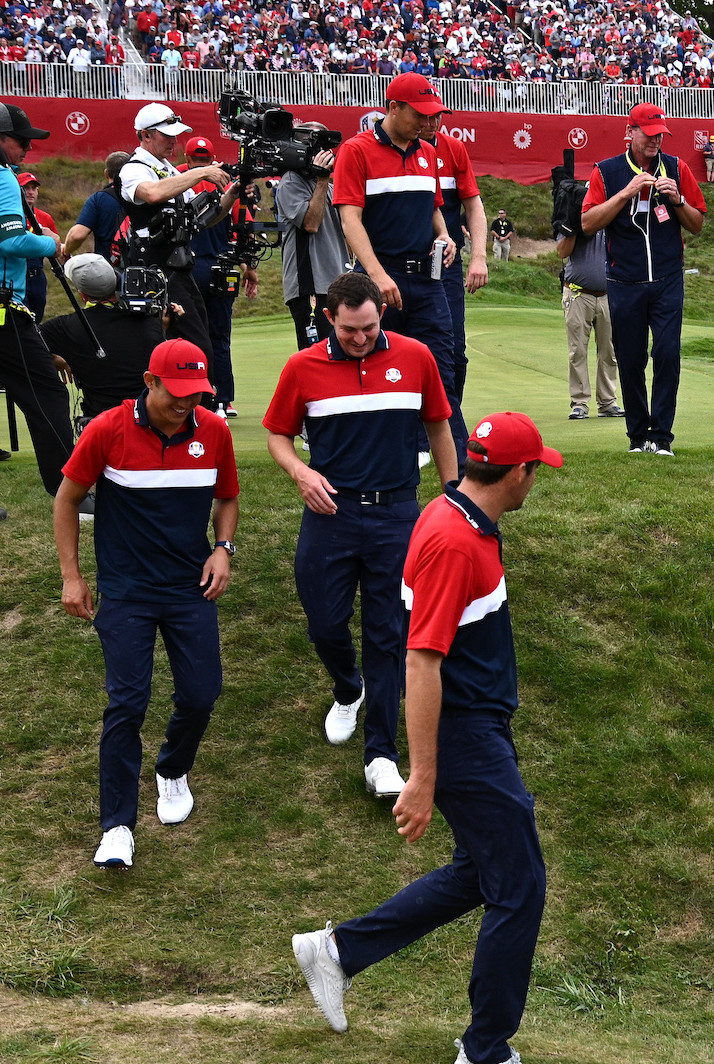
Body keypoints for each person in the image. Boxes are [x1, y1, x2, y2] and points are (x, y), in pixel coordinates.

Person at [292, 412, 564, 1064]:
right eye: (537, 470)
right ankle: (484, 1057)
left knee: (481, 872)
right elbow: (420, 661)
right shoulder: (453, 542)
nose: (537, 480)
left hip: (477, 728)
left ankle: (338, 950)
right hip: (464, 736)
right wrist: (423, 775)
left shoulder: (456, 514)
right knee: (520, 886)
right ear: (519, 473)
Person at [264, 272, 458, 798]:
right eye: (349, 330)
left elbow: (439, 426)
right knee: (324, 623)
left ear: (381, 315)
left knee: (387, 635)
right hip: (331, 512)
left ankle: (381, 756)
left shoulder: (416, 357)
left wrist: (452, 498)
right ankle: (349, 688)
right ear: (330, 318)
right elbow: (278, 434)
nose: (360, 338)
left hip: (397, 515)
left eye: (369, 328)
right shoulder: (303, 366)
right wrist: (300, 472)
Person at [53, 338, 239, 868]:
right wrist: (72, 577)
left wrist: (223, 548)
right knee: (128, 704)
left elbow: (227, 496)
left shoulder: (215, 431)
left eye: (196, 393)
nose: (187, 402)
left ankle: (172, 769)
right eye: (176, 392)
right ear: (150, 382)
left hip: (189, 587)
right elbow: (67, 499)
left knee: (201, 695)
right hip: (127, 590)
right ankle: (117, 827)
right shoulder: (107, 429)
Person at [0, 102, 72, 535]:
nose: (27, 147)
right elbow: (12, 242)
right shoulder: (0, 177)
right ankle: (72, 494)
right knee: (47, 395)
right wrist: (50, 242)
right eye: (21, 140)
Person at [334, 71, 459, 433]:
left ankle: (450, 455)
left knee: (441, 371)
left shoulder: (429, 152)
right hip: (379, 280)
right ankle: (389, 448)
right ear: (393, 107)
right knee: (378, 371)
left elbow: (432, 207)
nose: (427, 123)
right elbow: (350, 220)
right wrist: (377, 275)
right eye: (419, 114)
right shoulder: (356, 150)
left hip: (428, 280)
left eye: (432, 115)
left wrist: (445, 235)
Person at [581, 103, 706, 457]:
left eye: (660, 135)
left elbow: (697, 224)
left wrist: (677, 200)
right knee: (631, 358)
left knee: (667, 354)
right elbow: (588, 223)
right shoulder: (607, 171)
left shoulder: (677, 168)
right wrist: (625, 193)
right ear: (630, 132)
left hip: (668, 279)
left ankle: (662, 437)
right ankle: (638, 436)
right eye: (648, 134)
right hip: (624, 281)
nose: (655, 141)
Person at [118, 103, 236, 410]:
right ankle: (195, 411)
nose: (174, 141)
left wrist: (232, 193)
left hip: (179, 270)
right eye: (166, 135)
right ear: (145, 135)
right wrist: (201, 172)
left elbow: (204, 218)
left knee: (199, 345)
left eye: (175, 134)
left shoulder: (168, 169)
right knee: (192, 347)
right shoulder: (133, 168)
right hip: (155, 273)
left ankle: (194, 411)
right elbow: (152, 193)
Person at [419, 108, 488, 465]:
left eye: (438, 117)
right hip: (403, 262)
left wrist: (479, 257)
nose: (433, 123)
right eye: (426, 117)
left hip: (445, 264)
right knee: (411, 351)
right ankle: (421, 436)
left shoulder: (453, 149)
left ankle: (443, 429)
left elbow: (473, 206)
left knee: (455, 353)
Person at [44, 253, 175, 420]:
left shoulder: (65, 327)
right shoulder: (151, 322)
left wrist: (51, 358)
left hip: (100, 423)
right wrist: (163, 328)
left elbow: (25, 343)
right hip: (148, 420)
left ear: (83, 295)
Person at [180, 136, 254, 418]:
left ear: (187, 158)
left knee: (190, 335)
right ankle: (223, 400)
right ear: (212, 159)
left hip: (189, 267)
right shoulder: (227, 184)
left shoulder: (177, 180)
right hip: (223, 267)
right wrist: (249, 268)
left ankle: (200, 396)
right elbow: (243, 229)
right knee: (220, 336)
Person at [278, 123, 350, 351]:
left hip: (337, 282)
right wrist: (322, 180)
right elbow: (310, 224)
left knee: (340, 350)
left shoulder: (329, 186)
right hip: (310, 285)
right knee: (319, 355)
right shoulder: (291, 181)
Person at [556, 211, 620, 419]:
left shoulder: (613, 216)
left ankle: (608, 401)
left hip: (608, 294)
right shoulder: (574, 217)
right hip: (578, 293)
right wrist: (575, 226)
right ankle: (580, 403)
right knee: (577, 351)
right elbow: (562, 251)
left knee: (609, 351)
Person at [64, 150, 129, 262]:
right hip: (145, 267)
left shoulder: (98, 200)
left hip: (108, 267)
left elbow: (77, 235)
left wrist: (66, 251)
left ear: (106, 173)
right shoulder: (144, 194)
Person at [16, 171, 60, 321]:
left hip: (37, 276)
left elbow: (57, 247)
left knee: (38, 316)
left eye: (34, 188)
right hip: (18, 274)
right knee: (22, 318)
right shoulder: (12, 216)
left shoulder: (45, 217)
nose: (30, 192)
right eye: (26, 188)